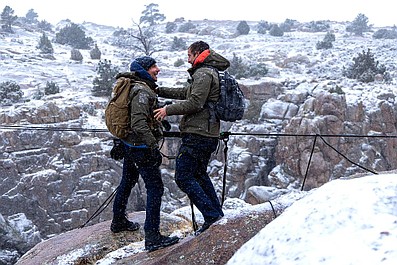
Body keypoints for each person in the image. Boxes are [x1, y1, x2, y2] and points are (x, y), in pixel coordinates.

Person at [154, 41, 229, 235]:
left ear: (197, 53)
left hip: (198, 134)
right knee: (199, 174)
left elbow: (195, 102)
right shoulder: (207, 71)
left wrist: (167, 110)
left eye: (189, 55)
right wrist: (159, 90)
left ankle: (211, 215)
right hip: (205, 133)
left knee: (183, 176)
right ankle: (216, 214)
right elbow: (186, 93)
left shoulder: (204, 73)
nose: (187, 59)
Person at [110, 56, 179, 252]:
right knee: (155, 188)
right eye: (153, 67)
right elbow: (138, 123)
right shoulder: (141, 90)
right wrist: (152, 146)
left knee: (127, 181)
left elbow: (135, 117)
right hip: (140, 148)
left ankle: (118, 221)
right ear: (143, 70)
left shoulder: (134, 86)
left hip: (129, 145)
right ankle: (153, 237)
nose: (158, 69)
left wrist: (158, 123)